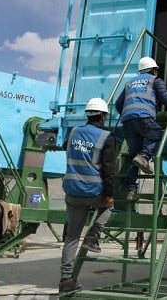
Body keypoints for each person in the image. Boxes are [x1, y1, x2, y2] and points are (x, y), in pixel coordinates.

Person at [59, 97, 117, 295]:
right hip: (93, 191)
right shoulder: (106, 137)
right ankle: (94, 235)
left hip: (72, 191)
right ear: (102, 116)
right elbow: (109, 170)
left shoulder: (73, 132)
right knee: (109, 207)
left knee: (72, 237)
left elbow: (65, 148)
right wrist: (110, 195)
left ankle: (66, 280)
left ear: (88, 114)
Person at [115, 56, 167, 202]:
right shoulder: (155, 81)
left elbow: (118, 104)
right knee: (159, 137)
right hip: (144, 118)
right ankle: (145, 156)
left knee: (133, 156)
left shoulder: (129, 83)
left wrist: (128, 114)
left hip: (127, 122)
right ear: (154, 71)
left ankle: (131, 190)